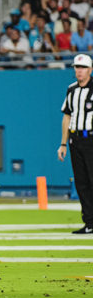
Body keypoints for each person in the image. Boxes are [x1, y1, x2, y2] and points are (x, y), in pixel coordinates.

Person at [58, 54, 93, 234]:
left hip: (91, 138)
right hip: (75, 139)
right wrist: (63, 143)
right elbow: (67, 116)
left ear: (90, 70)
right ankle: (89, 222)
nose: (79, 71)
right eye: (77, 67)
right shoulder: (71, 89)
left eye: (83, 67)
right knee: (81, 182)